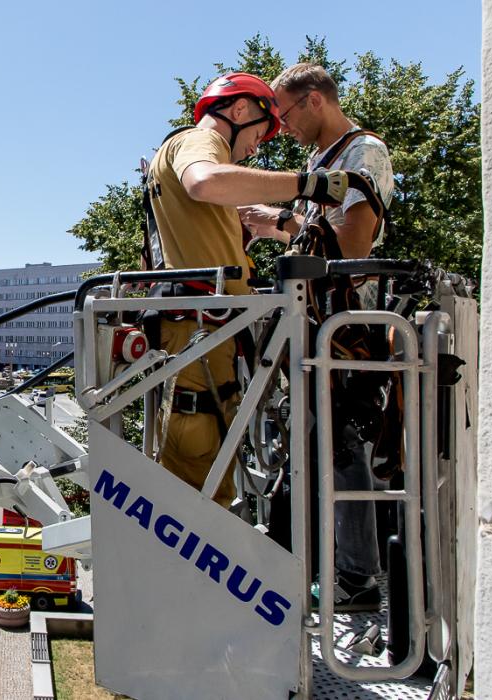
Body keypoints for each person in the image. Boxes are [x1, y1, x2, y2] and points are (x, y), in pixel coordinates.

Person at [144, 71, 355, 508]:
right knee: (199, 472)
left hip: (202, 331)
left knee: (208, 466)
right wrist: (305, 184)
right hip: (201, 335)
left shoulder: (186, 151)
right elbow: (204, 181)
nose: (256, 149)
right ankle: (196, 551)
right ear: (239, 110)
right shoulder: (200, 142)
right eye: (259, 133)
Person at [239, 63, 394, 611]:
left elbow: (351, 246)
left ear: (314, 100)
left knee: (341, 439)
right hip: (316, 320)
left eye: (284, 114)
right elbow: (317, 240)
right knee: (310, 441)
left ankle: (357, 578)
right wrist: (274, 226)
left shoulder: (363, 154)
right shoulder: (319, 162)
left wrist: (282, 222)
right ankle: (310, 564)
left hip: (346, 326)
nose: (281, 127)